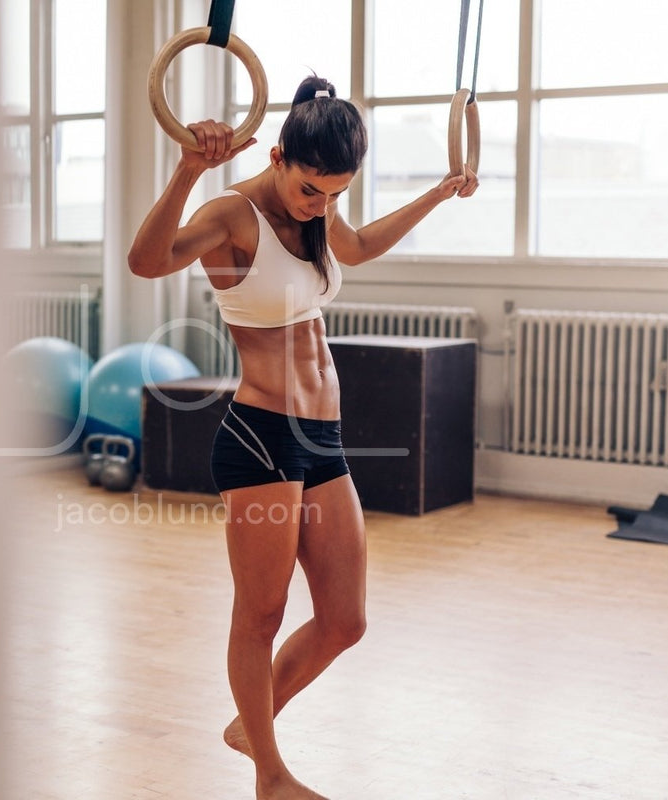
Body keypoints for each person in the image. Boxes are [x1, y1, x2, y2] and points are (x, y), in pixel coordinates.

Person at [128, 75, 478, 800]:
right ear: (281, 155)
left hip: (323, 440)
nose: (322, 206)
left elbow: (357, 249)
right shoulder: (232, 214)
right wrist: (190, 169)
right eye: (313, 189)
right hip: (260, 437)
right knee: (260, 614)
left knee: (345, 621)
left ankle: (249, 724)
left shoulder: (318, 213)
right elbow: (147, 261)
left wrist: (440, 191)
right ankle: (271, 773)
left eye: (336, 194)